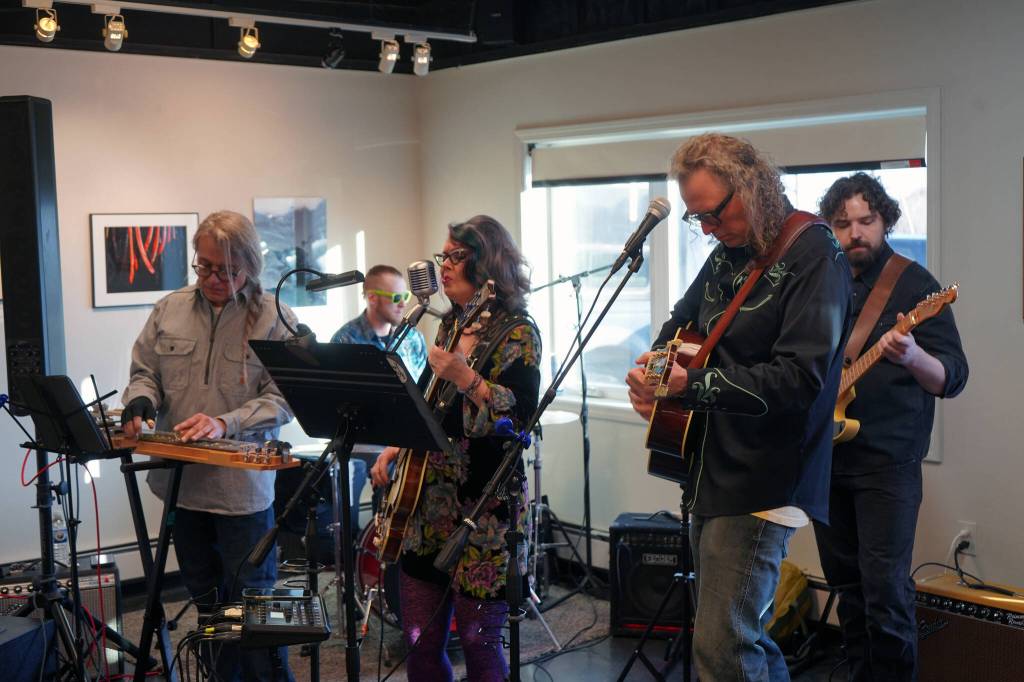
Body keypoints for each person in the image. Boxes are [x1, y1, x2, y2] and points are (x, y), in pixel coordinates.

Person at [625, 133, 852, 682]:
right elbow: (678, 325)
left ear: (751, 187)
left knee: (722, 646)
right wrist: (653, 378)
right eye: (695, 218)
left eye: (713, 213)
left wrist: (691, 386)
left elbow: (799, 378)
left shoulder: (814, 254)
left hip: (765, 479)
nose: (706, 228)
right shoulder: (730, 251)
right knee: (742, 639)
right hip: (710, 468)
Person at [121, 210, 296, 682]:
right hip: (182, 487)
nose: (213, 279)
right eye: (205, 266)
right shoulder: (170, 308)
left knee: (252, 609)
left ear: (250, 265)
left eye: (227, 270)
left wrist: (225, 423)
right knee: (208, 605)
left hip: (242, 494)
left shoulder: (275, 318)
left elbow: (284, 399)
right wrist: (141, 399)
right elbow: (145, 372)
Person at [369, 215, 541, 682]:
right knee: (420, 640)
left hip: (485, 509)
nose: (443, 266)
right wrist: (397, 444)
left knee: (478, 646)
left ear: (487, 262)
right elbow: (431, 402)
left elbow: (521, 417)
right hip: (429, 502)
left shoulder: (518, 332)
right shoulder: (449, 323)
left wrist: (467, 378)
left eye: (456, 256)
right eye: (442, 256)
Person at [814, 173, 968, 681]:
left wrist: (913, 355)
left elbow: (952, 378)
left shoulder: (916, 285)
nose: (855, 232)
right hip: (825, 459)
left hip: (887, 465)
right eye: (843, 224)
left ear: (886, 221)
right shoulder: (820, 281)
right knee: (848, 591)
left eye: (867, 220)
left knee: (885, 593)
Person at [330, 264, 429, 530]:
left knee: (393, 514)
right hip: (357, 444)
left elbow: (423, 393)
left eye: (405, 297)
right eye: (396, 297)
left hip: (398, 444)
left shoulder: (413, 338)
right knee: (343, 515)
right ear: (372, 298)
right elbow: (336, 401)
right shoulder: (344, 340)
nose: (403, 304)